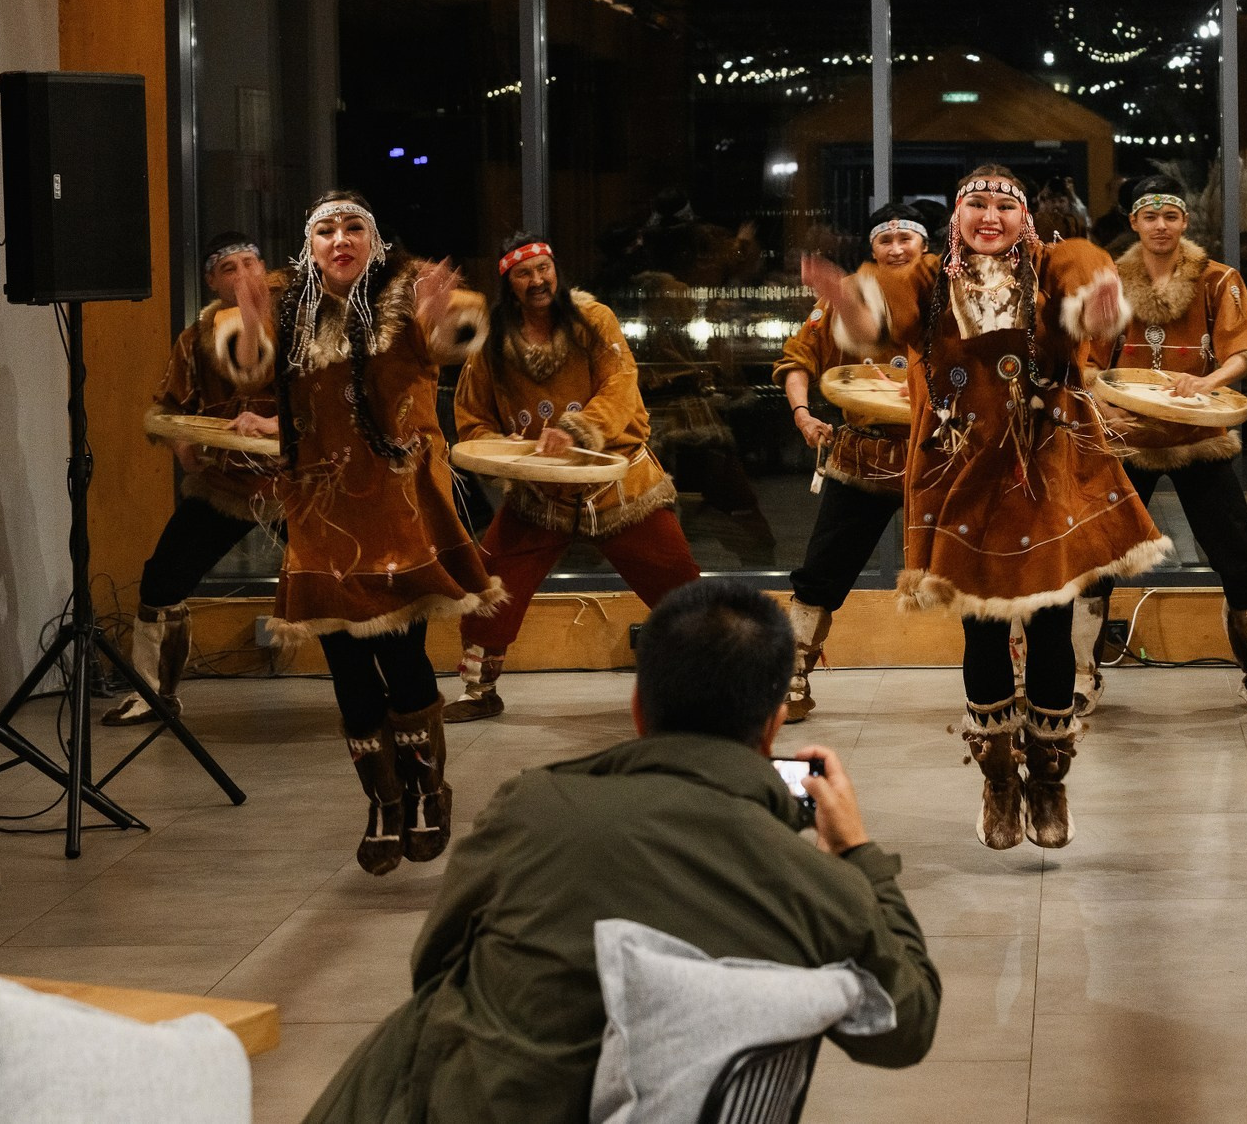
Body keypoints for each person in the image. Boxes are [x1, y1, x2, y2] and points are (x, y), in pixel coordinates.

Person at [300, 579, 939, 1124]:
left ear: (638, 709)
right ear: (774, 722)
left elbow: (434, 965)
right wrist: (857, 853)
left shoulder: (531, 811)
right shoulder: (819, 889)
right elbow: (905, 1026)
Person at [803, 164, 1166, 852]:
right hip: (963, 471)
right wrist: (844, 303)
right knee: (981, 634)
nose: (990, 216)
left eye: (1004, 204)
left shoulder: (1051, 261)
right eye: (978, 204)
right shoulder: (927, 279)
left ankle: (1050, 778)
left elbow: (1087, 296)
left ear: (1023, 216)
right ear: (958, 216)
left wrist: (1099, 305)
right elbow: (878, 317)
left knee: (1054, 629)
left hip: (1046, 467)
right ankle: (999, 777)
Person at [219, 192, 499, 875]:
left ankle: (428, 787)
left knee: (401, 656)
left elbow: (455, 336)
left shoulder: (405, 289)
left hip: (395, 500)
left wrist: (441, 315)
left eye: (353, 228)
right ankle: (384, 801)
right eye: (325, 229)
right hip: (319, 505)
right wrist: (251, 321)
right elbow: (248, 367)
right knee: (345, 666)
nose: (339, 239)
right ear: (309, 243)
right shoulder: (287, 301)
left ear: (373, 241)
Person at [442, 234, 701, 723]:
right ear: (508, 282)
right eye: (525, 273)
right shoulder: (492, 338)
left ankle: (713, 682)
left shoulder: (593, 320)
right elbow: (472, 416)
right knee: (491, 580)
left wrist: (576, 429)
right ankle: (479, 690)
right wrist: (508, 453)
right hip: (540, 494)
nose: (538, 280)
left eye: (544, 269)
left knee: (681, 585)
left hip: (620, 487)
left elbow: (621, 387)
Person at [1097, 182, 1247, 712]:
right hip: (1126, 437)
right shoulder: (1107, 282)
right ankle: (1083, 676)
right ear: (1134, 222)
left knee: (1239, 556)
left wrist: (1206, 383)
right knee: (1097, 558)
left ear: (1185, 223)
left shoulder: (1218, 279)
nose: (1160, 224)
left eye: (1171, 215)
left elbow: (1245, 352)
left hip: (1200, 435)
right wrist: (1104, 406)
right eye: (1150, 215)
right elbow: (1086, 361)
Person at [775, 203, 940, 722]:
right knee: (822, 571)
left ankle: (1017, 673)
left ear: (924, 245)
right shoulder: (844, 297)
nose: (896, 248)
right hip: (864, 452)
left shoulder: (952, 293)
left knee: (988, 564)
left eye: (906, 239)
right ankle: (793, 674)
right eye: (885, 240)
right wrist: (803, 414)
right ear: (872, 249)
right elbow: (797, 360)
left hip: (941, 453)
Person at [108, 232, 281, 726]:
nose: (244, 276)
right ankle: (153, 693)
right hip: (224, 484)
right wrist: (183, 444)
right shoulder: (194, 339)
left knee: (343, 580)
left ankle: (375, 690)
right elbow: (171, 407)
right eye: (230, 269)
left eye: (252, 264)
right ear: (211, 281)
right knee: (163, 577)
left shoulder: (298, 327)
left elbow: (324, 407)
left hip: (295, 484)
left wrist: (275, 426)